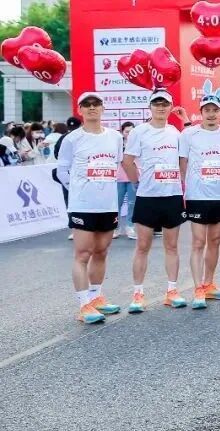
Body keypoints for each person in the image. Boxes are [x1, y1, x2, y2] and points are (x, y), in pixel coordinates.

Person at [56, 92, 125, 323]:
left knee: (101, 251)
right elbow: (61, 171)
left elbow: (116, 165)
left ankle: (96, 297)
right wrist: (77, 189)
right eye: (87, 105)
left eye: (96, 104)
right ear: (80, 110)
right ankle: (84, 304)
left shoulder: (115, 137)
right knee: (83, 253)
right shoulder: (72, 139)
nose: (92, 108)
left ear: (103, 108)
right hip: (82, 205)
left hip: (107, 204)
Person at [121, 89, 189, 312]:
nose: (160, 107)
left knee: (172, 245)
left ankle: (172, 291)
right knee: (142, 246)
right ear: (150, 107)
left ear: (170, 107)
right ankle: (138, 294)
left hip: (172, 195)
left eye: (164, 104)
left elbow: (183, 161)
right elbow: (127, 161)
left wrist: (182, 182)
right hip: (147, 196)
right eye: (156, 104)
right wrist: (137, 183)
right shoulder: (139, 132)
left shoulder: (175, 132)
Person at [179, 80, 220, 308]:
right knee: (198, 242)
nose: (211, 114)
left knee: (215, 240)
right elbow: (183, 163)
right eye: (207, 110)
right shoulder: (189, 134)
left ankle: (209, 283)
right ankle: (198, 288)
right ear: (201, 112)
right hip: (197, 195)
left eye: (215, 110)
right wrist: (187, 187)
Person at [116, 121, 138, 239]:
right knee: (117, 203)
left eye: (131, 132)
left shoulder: (138, 143)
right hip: (118, 178)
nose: (129, 134)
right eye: (127, 132)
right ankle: (115, 227)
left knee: (132, 203)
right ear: (122, 132)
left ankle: (130, 227)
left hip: (133, 178)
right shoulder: (117, 144)